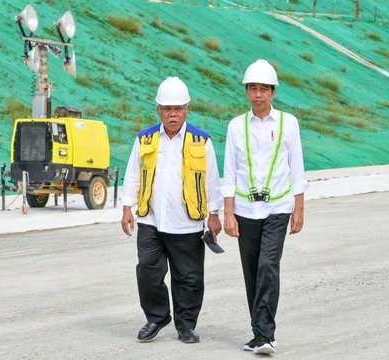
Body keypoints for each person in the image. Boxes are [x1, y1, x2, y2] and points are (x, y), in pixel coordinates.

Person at [121, 76, 222, 344]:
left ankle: (186, 325)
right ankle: (156, 317)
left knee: (188, 278)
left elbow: (212, 179)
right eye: (167, 108)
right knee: (147, 270)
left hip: (187, 223)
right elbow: (133, 174)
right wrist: (126, 207)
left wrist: (215, 214)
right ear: (159, 110)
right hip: (151, 220)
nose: (173, 114)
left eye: (178, 108)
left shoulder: (201, 140)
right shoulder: (145, 139)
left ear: (187, 108)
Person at [222, 60, 308, 354]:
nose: (258, 94)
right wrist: (228, 212)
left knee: (268, 266)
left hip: (278, 209)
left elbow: (297, 168)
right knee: (251, 271)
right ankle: (258, 334)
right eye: (253, 89)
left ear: (273, 93)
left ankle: (267, 335)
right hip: (245, 211)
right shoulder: (236, 126)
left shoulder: (288, 123)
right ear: (247, 92)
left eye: (264, 89)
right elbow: (229, 172)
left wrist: (299, 209)